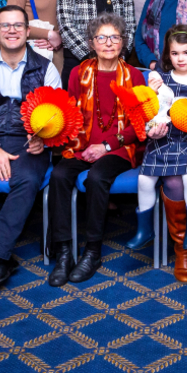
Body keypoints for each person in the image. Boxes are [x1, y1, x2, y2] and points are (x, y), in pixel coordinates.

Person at [0, 5, 61, 294]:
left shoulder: (46, 68)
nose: (12, 30)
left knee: (27, 181)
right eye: (5, 26)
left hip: (28, 139)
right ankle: (0, 256)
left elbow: (56, 112)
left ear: (28, 32)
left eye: (18, 25)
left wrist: (45, 136)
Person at [48, 14, 147, 286]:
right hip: (81, 145)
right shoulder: (79, 73)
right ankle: (64, 252)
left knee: (97, 177)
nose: (108, 43)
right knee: (58, 176)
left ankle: (92, 251)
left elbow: (140, 125)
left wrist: (105, 145)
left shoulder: (135, 75)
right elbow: (68, 114)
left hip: (121, 147)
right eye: (101, 37)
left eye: (114, 37)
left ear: (122, 42)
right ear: (92, 42)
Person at [128, 27, 187, 283]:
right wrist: (152, 129)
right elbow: (152, 112)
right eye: (174, 53)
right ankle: (144, 230)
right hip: (165, 138)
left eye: (186, 52)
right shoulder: (161, 79)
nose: (180, 58)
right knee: (144, 180)